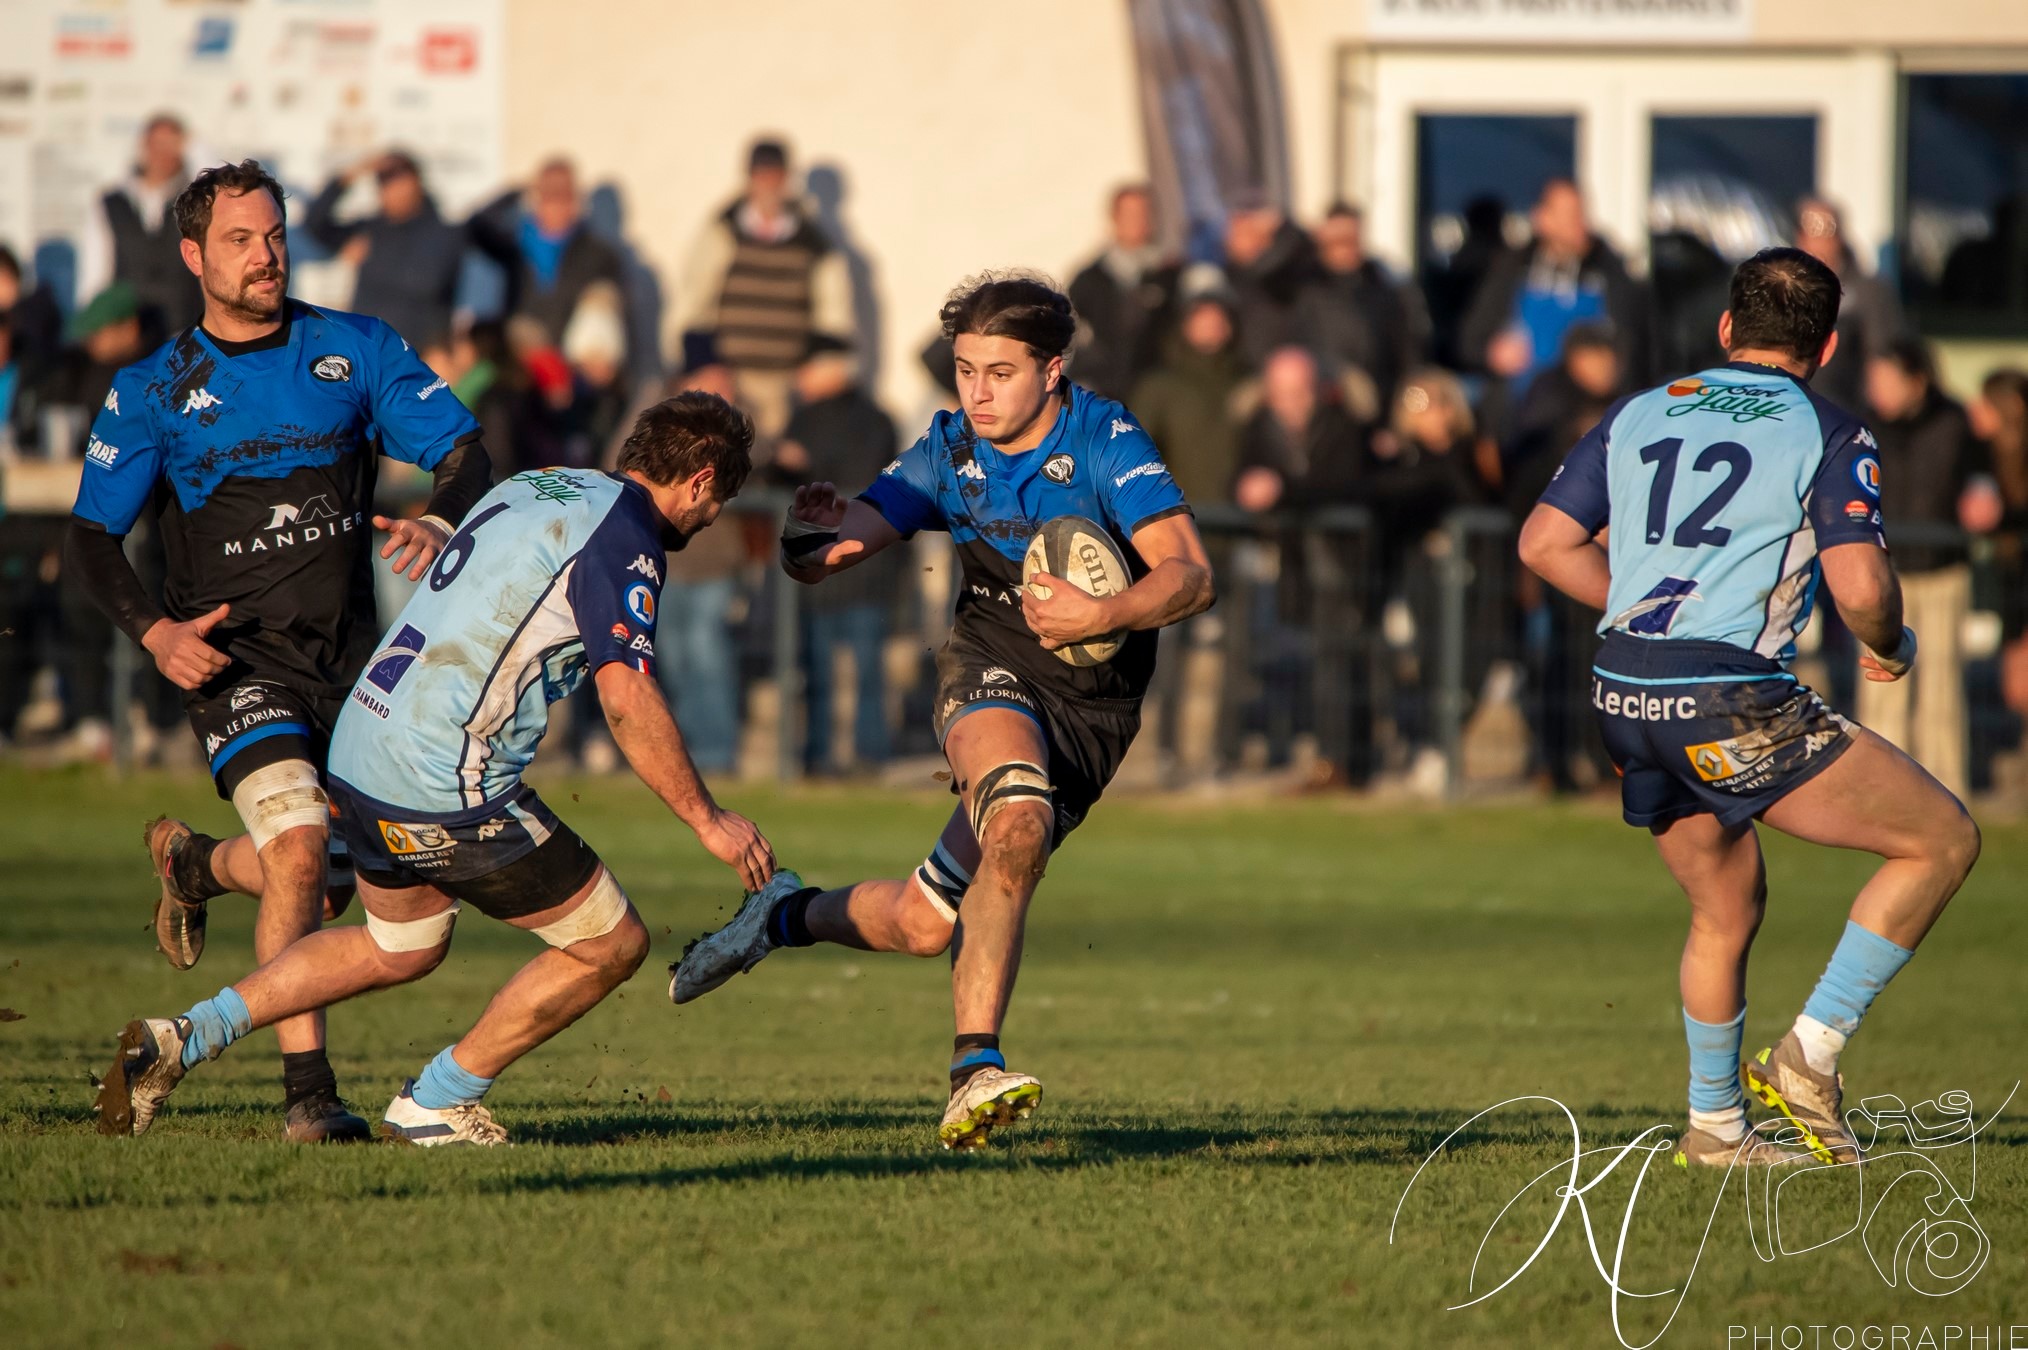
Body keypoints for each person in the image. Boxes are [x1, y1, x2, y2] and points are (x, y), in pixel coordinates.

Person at [94, 395, 775, 1147]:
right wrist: (709, 820)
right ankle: (440, 1099)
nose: (712, 518)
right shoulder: (626, 536)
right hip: (440, 776)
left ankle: (181, 1039)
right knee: (611, 944)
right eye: (720, 501)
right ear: (702, 480)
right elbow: (626, 697)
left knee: (402, 946)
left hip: (362, 746)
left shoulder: (539, 482)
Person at [672, 274, 1215, 1149]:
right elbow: (838, 547)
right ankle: (975, 1070)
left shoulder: (1107, 440)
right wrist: (810, 538)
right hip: (989, 665)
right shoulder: (946, 448)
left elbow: (1190, 574)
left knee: (928, 925)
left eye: (1001, 371)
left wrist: (1103, 613)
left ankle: (774, 916)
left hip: (1093, 710)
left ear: (1053, 370)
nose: (978, 392)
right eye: (966, 370)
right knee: (1016, 817)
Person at [1518, 246, 1981, 1168]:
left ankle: (1717, 1130)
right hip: (1726, 695)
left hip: (1623, 688)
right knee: (1942, 841)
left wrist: (1645, 609)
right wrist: (1890, 645)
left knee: (1725, 907)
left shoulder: (1643, 409)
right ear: (1830, 343)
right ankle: (1811, 1053)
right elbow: (1860, 587)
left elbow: (1541, 542)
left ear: (1726, 329)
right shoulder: (1829, 428)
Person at [68, 160, 493, 1142]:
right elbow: (89, 538)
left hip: (351, 666)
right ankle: (309, 1098)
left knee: (337, 879)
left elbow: (466, 447)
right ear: (193, 255)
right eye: (239, 241)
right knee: (303, 851)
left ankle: (197, 865)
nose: (265, 256)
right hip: (234, 665)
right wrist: (156, 632)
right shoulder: (155, 390)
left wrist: (438, 514)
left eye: (274, 235)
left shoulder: (353, 347)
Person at [1855, 338, 1983, 798]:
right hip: (1886, 573)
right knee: (1881, 688)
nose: (1879, 390)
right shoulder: (1862, 428)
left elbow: (1980, 478)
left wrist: (1982, 497)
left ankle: (1947, 790)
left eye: (1888, 380)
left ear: (1917, 379)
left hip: (1943, 568)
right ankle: (1884, 790)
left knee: (1942, 689)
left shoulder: (1955, 422)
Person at [778, 339, 901, 774]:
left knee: (860, 668)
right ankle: (820, 754)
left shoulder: (870, 420)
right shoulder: (823, 417)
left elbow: (863, 476)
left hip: (855, 562)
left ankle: (864, 754)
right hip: (833, 564)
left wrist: (803, 461)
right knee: (819, 669)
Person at [673, 138, 852, 437]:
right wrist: (704, 365)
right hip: (729, 383)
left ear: (786, 179)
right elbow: (694, 304)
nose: (768, 184)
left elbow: (834, 311)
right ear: (749, 178)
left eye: (776, 175)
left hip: (790, 386)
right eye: (761, 175)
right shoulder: (721, 234)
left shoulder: (814, 244)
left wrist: (823, 366)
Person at [1460, 179, 1651, 403]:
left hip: (1591, 409)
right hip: (1525, 411)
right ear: (1542, 218)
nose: (1578, 223)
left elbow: (1637, 344)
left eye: (1581, 213)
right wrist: (1493, 352)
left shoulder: (1610, 272)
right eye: (1568, 215)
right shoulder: (1512, 269)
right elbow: (1470, 340)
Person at [303, 151, 467, 350]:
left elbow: (425, 282)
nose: (390, 191)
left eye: (398, 181)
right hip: (367, 353)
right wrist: (351, 175)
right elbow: (314, 224)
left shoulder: (445, 233)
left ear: (415, 182)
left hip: (420, 356)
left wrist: (374, 257)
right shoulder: (371, 229)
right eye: (383, 184)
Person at [469, 157, 629, 360]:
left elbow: (610, 321)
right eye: (550, 193)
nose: (558, 202)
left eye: (565, 194)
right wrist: (516, 191)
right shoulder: (511, 246)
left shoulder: (599, 255)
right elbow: (474, 226)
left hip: (571, 368)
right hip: (516, 360)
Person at [1125, 266, 1247, 507]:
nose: (1211, 323)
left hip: (1245, 525)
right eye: (1201, 315)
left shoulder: (1250, 383)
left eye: (1219, 315)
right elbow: (1135, 458)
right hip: (1181, 522)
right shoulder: (1158, 387)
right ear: (1184, 323)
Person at [77, 113, 200, 346]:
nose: (162, 152)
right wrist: (95, 329)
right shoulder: (111, 202)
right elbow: (94, 274)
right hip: (128, 338)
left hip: (186, 334)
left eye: (171, 143)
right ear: (144, 146)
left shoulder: (199, 199)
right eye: (156, 143)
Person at [1294, 202, 1424, 413]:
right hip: (1325, 399)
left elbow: (1407, 352)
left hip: (1381, 399)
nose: (1345, 247)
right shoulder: (1303, 288)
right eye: (1337, 240)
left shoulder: (1385, 286)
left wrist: (1411, 403)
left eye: (1351, 239)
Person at [1792, 197, 1904, 416]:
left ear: (1840, 236)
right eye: (1811, 229)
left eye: (1828, 230)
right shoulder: (1782, 288)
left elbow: (1883, 352)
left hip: (1846, 409)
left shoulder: (1870, 292)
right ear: (1799, 236)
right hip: (1791, 405)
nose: (1819, 240)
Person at [1066, 185, 1177, 404]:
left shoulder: (1169, 276)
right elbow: (1072, 337)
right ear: (1114, 218)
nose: (1138, 221)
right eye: (1130, 214)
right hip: (1105, 392)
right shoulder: (1089, 280)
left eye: (1144, 213)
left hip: (1159, 393)